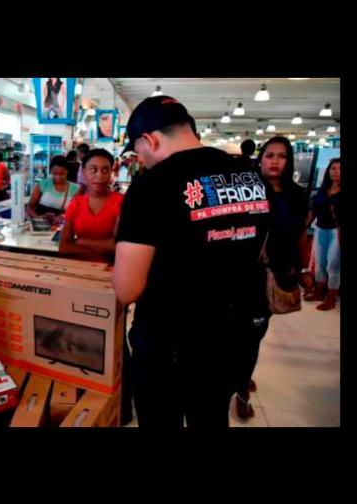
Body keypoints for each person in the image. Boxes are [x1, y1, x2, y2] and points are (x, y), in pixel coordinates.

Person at [110, 96, 270, 427]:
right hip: (229, 336)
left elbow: (127, 289)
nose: (139, 157)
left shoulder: (150, 187)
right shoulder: (249, 174)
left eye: (137, 149)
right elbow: (256, 249)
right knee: (211, 416)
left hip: (169, 342)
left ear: (149, 139)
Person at [233, 136, 311, 420]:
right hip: (243, 274)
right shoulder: (245, 189)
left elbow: (300, 235)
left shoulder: (297, 195)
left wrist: (302, 270)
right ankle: (238, 382)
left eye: (281, 156)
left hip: (277, 274)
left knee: (255, 334)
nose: (275, 161)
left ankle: (241, 381)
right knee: (240, 333)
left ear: (289, 161)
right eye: (269, 155)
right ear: (260, 158)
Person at [59, 149, 122, 263]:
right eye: (93, 170)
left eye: (105, 170)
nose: (99, 176)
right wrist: (101, 255)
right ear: (84, 172)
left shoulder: (121, 202)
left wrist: (82, 242)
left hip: (110, 272)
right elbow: (64, 247)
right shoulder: (76, 203)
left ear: (110, 172)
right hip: (78, 269)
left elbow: (119, 246)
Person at [304, 158, 341, 310]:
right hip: (320, 229)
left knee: (333, 264)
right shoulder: (323, 189)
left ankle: (331, 298)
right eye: (333, 168)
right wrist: (304, 225)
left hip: (337, 231)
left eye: (339, 169)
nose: (336, 172)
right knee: (319, 263)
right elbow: (314, 210)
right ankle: (319, 292)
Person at [26, 155, 80, 219]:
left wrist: (63, 217)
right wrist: (37, 217)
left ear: (67, 171)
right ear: (51, 171)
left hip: (61, 227)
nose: (58, 177)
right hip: (41, 225)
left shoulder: (75, 188)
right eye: (55, 173)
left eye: (62, 174)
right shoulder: (43, 184)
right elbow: (30, 206)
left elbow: (77, 212)